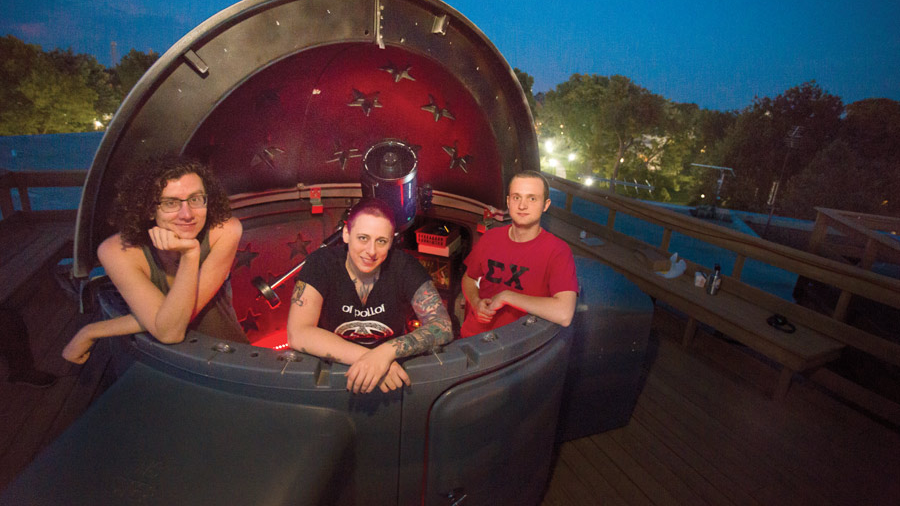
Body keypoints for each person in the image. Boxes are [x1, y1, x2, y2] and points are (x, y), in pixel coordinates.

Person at [62, 156, 247, 364]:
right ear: (150, 209)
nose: (187, 214)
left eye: (195, 199)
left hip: (226, 358)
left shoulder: (226, 230)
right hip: (154, 361)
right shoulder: (116, 251)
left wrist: (93, 330)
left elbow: (170, 328)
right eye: (170, 203)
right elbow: (169, 329)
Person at [287, 198, 452, 394]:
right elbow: (298, 333)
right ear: (347, 234)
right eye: (363, 238)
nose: (371, 251)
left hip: (392, 375)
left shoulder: (404, 266)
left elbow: (442, 326)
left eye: (381, 241)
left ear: (391, 242)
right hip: (335, 375)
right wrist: (370, 359)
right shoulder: (321, 263)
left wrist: (385, 353)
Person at [460, 170, 578, 338]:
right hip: (473, 338)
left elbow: (564, 314)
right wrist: (476, 302)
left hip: (514, 346)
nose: (522, 206)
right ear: (508, 202)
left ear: (545, 205)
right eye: (516, 197)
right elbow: (469, 278)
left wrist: (508, 296)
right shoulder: (491, 237)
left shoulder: (558, 251)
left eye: (532, 198)